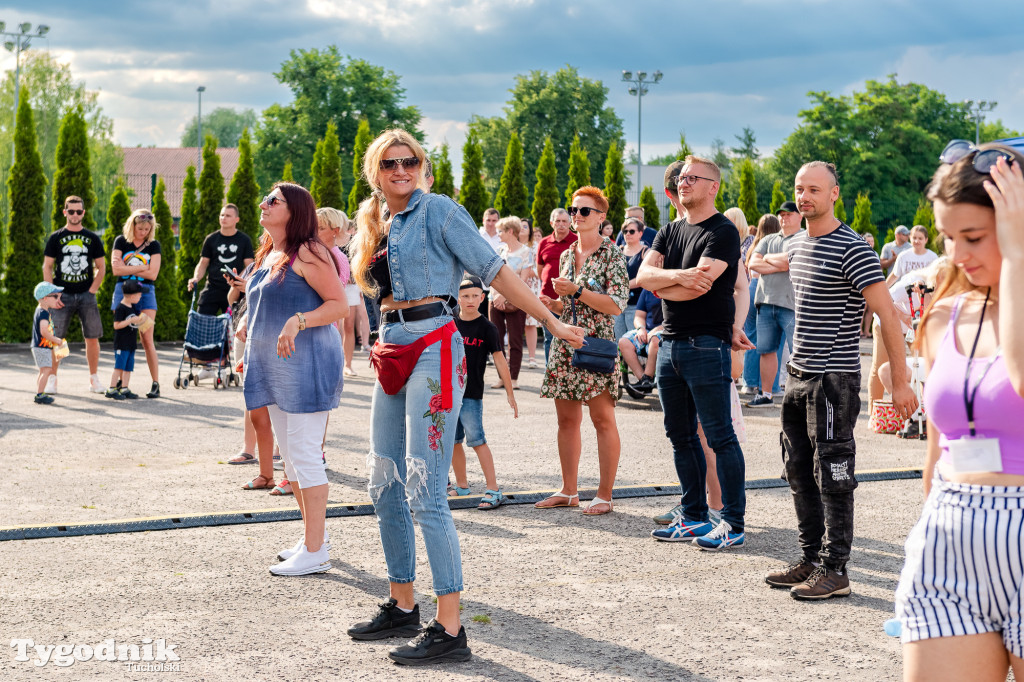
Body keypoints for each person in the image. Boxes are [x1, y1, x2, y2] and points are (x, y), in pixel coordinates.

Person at [345, 129, 582, 665]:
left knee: (426, 486)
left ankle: (450, 629)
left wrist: (548, 320)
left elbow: (495, 271)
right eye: (389, 163)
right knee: (383, 481)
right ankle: (402, 602)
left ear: (422, 167)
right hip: (391, 346)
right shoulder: (376, 224)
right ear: (375, 171)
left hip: (433, 345)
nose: (400, 170)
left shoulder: (440, 211)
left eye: (410, 161)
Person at [892, 141, 1024, 681]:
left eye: (974, 237)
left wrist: (1016, 259)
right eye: (949, 236)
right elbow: (936, 448)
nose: (957, 254)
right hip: (950, 537)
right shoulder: (946, 313)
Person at [764, 161, 917, 600]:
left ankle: (836, 570)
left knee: (833, 473)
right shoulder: (796, 245)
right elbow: (761, 262)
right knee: (797, 469)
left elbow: (888, 315)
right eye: (799, 189)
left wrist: (900, 382)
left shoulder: (854, 248)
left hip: (834, 379)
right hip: (797, 375)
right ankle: (811, 559)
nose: (804, 196)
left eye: (814, 189)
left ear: (834, 194)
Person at [638, 155, 753, 550]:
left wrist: (664, 282)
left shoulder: (722, 232)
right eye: (681, 178)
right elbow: (642, 277)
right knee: (680, 435)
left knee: (720, 436)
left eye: (692, 178)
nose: (682, 183)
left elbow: (698, 286)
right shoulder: (669, 230)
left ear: (713, 186)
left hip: (707, 344)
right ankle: (693, 517)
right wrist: (675, 278)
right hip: (669, 343)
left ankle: (733, 525)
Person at [241, 183, 347, 577]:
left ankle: (317, 551)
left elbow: (337, 305)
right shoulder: (271, 253)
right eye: (265, 199)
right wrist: (251, 345)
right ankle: (310, 539)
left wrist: (297, 321)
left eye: (274, 201)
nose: (263, 205)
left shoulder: (309, 250)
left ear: (295, 210)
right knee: (294, 462)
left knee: (304, 455)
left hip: (308, 365)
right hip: (275, 366)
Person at [536, 185, 627, 516]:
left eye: (583, 211)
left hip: (596, 343)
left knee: (602, 418)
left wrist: (577, 291)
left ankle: (604, 494)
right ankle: (569, 491)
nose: (576, 216)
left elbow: (616, 306)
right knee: (566, 420)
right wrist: (553, 304)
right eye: (573, 210)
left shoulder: (612, 254)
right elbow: (570, 305)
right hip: (565, 340)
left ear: (601, 217)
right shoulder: (565, 254)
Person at [448, 276, 517, 510]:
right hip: (448, 393)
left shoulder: (487, 328)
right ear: (457, 297)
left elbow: (500, 359)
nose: (469, 300)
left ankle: (493, 489)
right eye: (465, 296)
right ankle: (462, 484)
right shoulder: (448, 323)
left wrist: (510, 392)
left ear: (482, 297)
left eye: (474, 296)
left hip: (471, 395)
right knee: (453, 441)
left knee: (477, 441)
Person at [43, 195, 106, 394]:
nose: (75, 215)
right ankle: (53, 378)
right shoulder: (56, 237)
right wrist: (52, 294)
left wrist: (93, 290)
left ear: (83, 213)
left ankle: (94, 379)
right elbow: (48, 266)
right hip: (62, 296)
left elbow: (102, 267)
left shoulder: (93, 238)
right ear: (65, 212)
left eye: (79, 211)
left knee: (92, 338)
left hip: (86, 295)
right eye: (71, 211)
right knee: (57, 338)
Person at [746, 200, 804, 407]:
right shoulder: (769, 238)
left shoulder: (804, 238)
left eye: (789, 214)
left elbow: (793, 262)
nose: (783, 217)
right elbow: (753, 263)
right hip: (765, 302)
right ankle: (766, 394)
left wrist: (768, 260)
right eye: (781, 214)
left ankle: (800, 396)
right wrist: (780, 263)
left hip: (792, 305)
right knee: (766, 351)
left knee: (799, 352)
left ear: (800, 216)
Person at [111, 209, 163, 399]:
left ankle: (155, 382)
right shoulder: (121, 241)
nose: (143, 232)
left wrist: (129, 269)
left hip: (146, 294)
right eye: (140, 228)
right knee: (123, 335)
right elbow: (116, 270)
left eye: (147, 229)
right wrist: (142, 267)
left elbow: (153, 274)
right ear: (132, 226)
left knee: (146, 338)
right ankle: (121, 383)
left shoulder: (153, 245)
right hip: (123, 294)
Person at [740, 214, 782, 395]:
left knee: (751, 338)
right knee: (772, 343)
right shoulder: (774, 247)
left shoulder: (752, 247)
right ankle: (770, 386)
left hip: (750, 291)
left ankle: (748, 383)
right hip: (767, 291)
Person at [187, 203, 255, 315]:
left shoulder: (244, 240)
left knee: (233, 328)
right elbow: (203, 263)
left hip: (233, 290)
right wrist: (195, 278)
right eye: (222, 215)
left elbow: (250, 265)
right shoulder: (211, 239)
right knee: (201, 324)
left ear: (236, 219)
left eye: (228, 216)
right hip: (212, 287)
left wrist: (237, 280)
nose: (224, 218)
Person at [489, 216, 532, 390]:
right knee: (496, 341)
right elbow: (491, 275)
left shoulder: (525, 252)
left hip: (516, 302)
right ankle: (502, 378)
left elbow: (523, 281)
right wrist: (496, 296)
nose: (497, 234)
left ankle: (513, 378)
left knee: (515, 341)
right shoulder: (499, 250)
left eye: (500, 231)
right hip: (495, 301)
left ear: (510, 232)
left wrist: (504, 297)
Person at [535, 207, 578, 362]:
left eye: (564, 221)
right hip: (547, 299)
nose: (561, 224)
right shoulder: (544, 242)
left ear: (569, 223)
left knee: (570, 338)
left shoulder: (576, 242)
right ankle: (549, 372)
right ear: (552, 223)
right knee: (549, 338)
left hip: (570, 299)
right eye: (558, 221)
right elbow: (540, 270)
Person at [618, 287, 663, 397]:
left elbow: (674, 318)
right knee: (624, 342)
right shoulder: (647, 290)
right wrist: (641, 328)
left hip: (666, 330)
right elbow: (639, 316)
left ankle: (648, 376)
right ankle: (643, 380)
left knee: (655, 340)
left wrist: (656, 330)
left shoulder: (672, 289)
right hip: (647, 331)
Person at [106, 280, 145, 400]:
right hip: (121, 344)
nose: (141, 297)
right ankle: (112, 389)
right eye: (139, 295)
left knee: (128, 368)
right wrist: (130, 321)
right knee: (119, 367)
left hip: (130, 343)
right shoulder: (120, 308)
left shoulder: (132, 306)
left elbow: (133, 322)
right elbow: (116, 325)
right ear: (132, 296)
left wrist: (140, 321)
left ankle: (124, 388)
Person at [30, 282, 65, 405]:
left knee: (43, 370)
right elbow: (43, 331)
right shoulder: (43, 313)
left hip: (40, 346)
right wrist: (56, 340)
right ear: (45, 298)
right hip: (42, 347)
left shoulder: (41, 310)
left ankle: (40, 392)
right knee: (47, 370)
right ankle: (40, 395)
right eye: (55, 296)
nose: (58, 298)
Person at [614, 216, 648, 340]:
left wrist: (622, 285)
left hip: (636, 305)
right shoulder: (618, 251)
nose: (628, 234)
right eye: (625, 231)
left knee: (634, 342)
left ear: (640, 233)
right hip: (617, 304)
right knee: (618, 342)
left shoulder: (646, 252)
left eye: (632, 231)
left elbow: (643, 278)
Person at [518, 219, 542, 368]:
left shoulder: (536, 247)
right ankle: (511, 357)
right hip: (514, 287)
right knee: (513, 323)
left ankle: (532, 357)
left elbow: (540, 269)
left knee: (530, 324)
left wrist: (523, 273)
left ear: (530, 229)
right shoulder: (511, 246)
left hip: (531, 288)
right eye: (519, 226)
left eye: (525, 226)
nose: (522, 229)